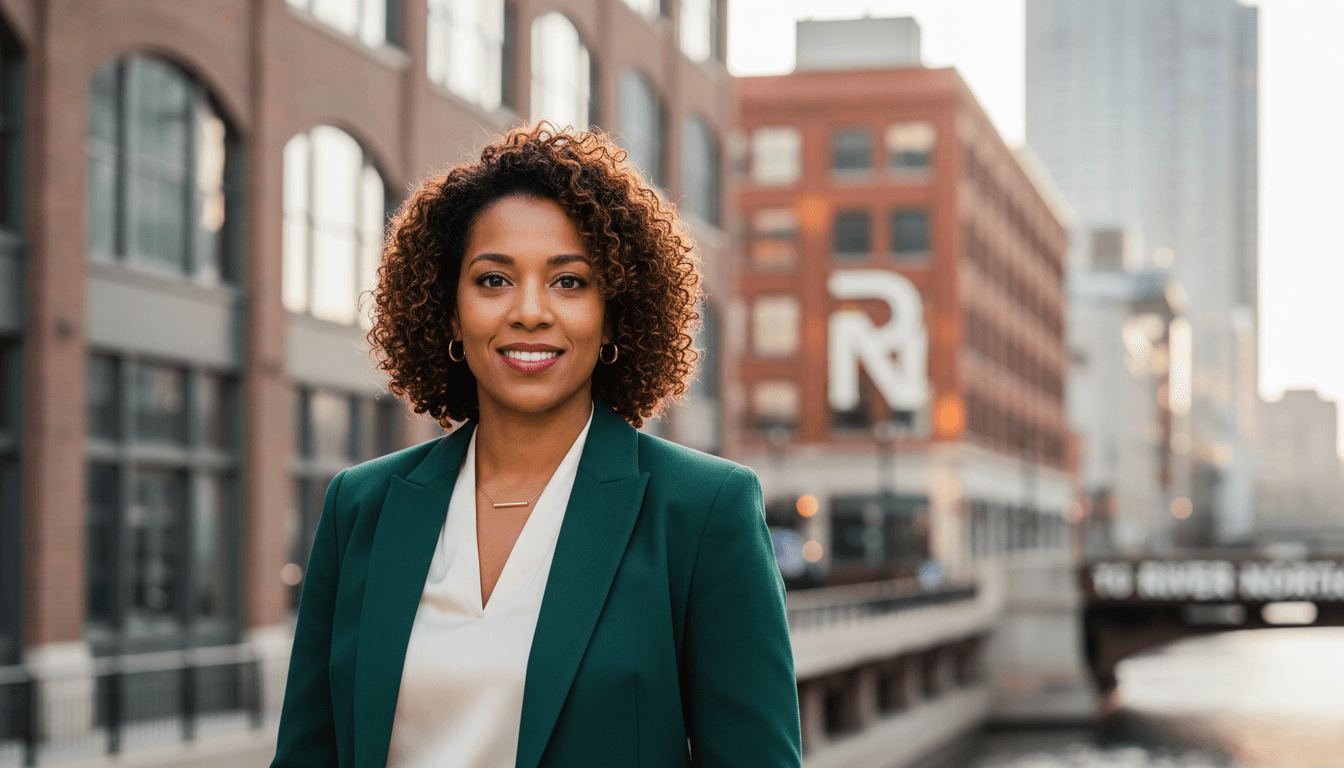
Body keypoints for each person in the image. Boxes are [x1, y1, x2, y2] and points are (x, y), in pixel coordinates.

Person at [270, 123, 801, 768]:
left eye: (569, 282)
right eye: (493, 280)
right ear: (449, 310)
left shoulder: (703, 511)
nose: (529, 311)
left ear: (615, 313)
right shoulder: (362, 506)